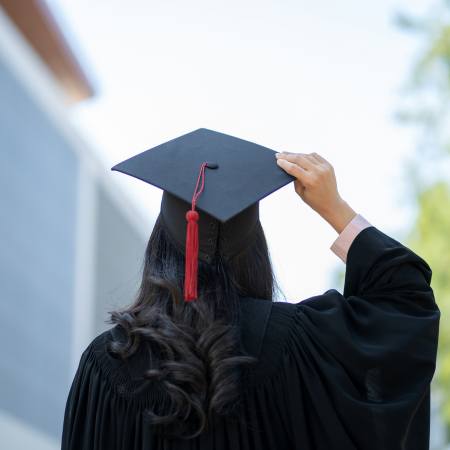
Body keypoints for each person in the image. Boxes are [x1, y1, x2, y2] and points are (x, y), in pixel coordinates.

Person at [61, 129, 440, 450]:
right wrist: (335, 209)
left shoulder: (106, 364)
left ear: (162, 246)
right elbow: (406, 301)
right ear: (254, 248)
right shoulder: (305, 344)